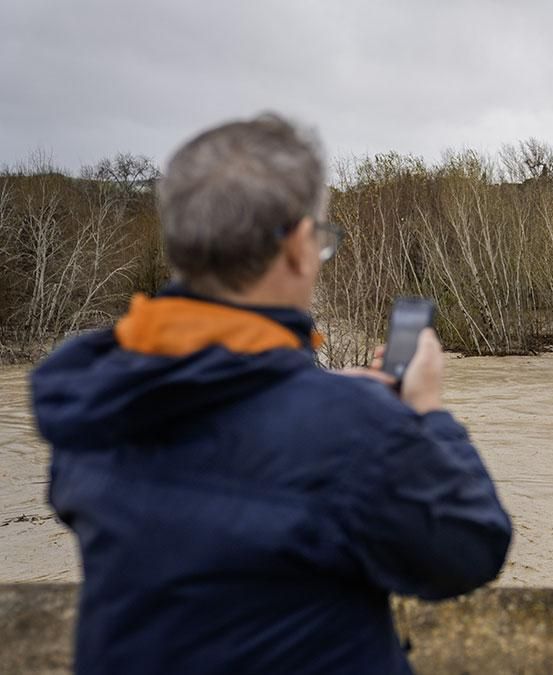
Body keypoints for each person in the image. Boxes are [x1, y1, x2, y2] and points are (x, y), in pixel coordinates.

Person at [29, 114, 512, 674]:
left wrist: (322, 395)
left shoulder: (96, 395)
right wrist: (424, 414)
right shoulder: (353, 430)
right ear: (300, 247)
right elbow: (471, 548)